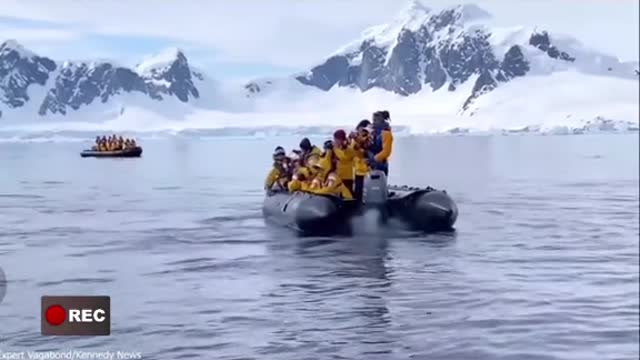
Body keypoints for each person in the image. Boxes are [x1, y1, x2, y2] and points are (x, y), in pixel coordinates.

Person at [351, 120, 372, 201]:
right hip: (357, 168)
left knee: (364, 188)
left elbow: (363, 148)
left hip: (366, 169)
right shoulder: (355, 137)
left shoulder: (368, 138)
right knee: (358, 189)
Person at [368, 110, 393, 176]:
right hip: (370, 165)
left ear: (381, 120)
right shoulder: (372, 132)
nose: (373, 122)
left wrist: (373, 159)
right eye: (373, 120)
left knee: (378, 185)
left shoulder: (386, 133)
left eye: (375, 120)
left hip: (381, 165)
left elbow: (386, 151)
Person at [332, 129, 356, 196]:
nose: (335, 141)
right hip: (339, 176)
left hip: (347, 177)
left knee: (347, 196)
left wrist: (335, 149)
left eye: (336, 139)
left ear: (341, 139)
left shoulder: (349, 149)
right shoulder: (337, 149)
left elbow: (343, 158)